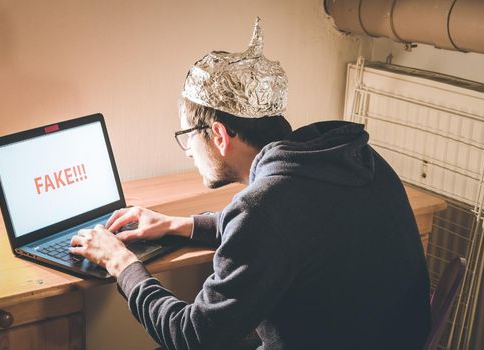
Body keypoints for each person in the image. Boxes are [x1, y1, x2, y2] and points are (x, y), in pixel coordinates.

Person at [70, 18, 431, 350]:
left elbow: (192, 336)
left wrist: (122, 263)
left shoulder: (262, 210)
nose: (188, 153)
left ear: (219, 135)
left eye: (188, 137)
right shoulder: (350, 158)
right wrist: (179, 225)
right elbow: (288, 229)